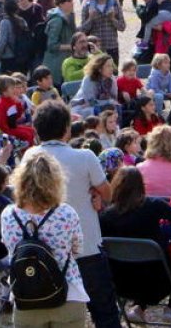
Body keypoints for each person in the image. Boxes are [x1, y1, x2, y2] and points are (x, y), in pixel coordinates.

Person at [32, 101, 122, 327]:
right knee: (104, 309)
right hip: (84, 245)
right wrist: (95, 191)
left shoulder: (30, 156)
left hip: (45, 247)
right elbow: (109, 194)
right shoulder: (85, 157)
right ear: (66, 129)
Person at [0, 149, 89, 327]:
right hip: (67, 293)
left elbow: (9, 248)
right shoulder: (66, 213)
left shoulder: (8, 215)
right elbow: (78, 250)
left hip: (26, 295)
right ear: (56, 181)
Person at [98, 166, 171, 324]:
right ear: (141, 185)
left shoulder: (106, 216)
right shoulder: (152, 205)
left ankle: (138, 308)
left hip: (122, 283)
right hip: (161, 280)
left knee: (138, 265)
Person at [81, 0, 126, 65]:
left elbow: (122, 27)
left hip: (111, 46)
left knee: (113, 73)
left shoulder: (115, 5)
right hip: (94, 47)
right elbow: (83, 30)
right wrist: (90, 18)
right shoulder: (88, 6)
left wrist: (113, 19)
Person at [44, 0, 78, 86]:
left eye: (72, 1)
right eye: (69, 1)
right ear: (61, 4)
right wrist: (72, 47)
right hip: (56, 64)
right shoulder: (57, 20)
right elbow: (52, 45)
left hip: (65, 62)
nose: (72, 3)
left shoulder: (69, 16)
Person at [0, 0, 33, 76]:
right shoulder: (22, 21)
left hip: (8, 57)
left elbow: (2, 42)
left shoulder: (4, 22)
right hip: (22, 57)